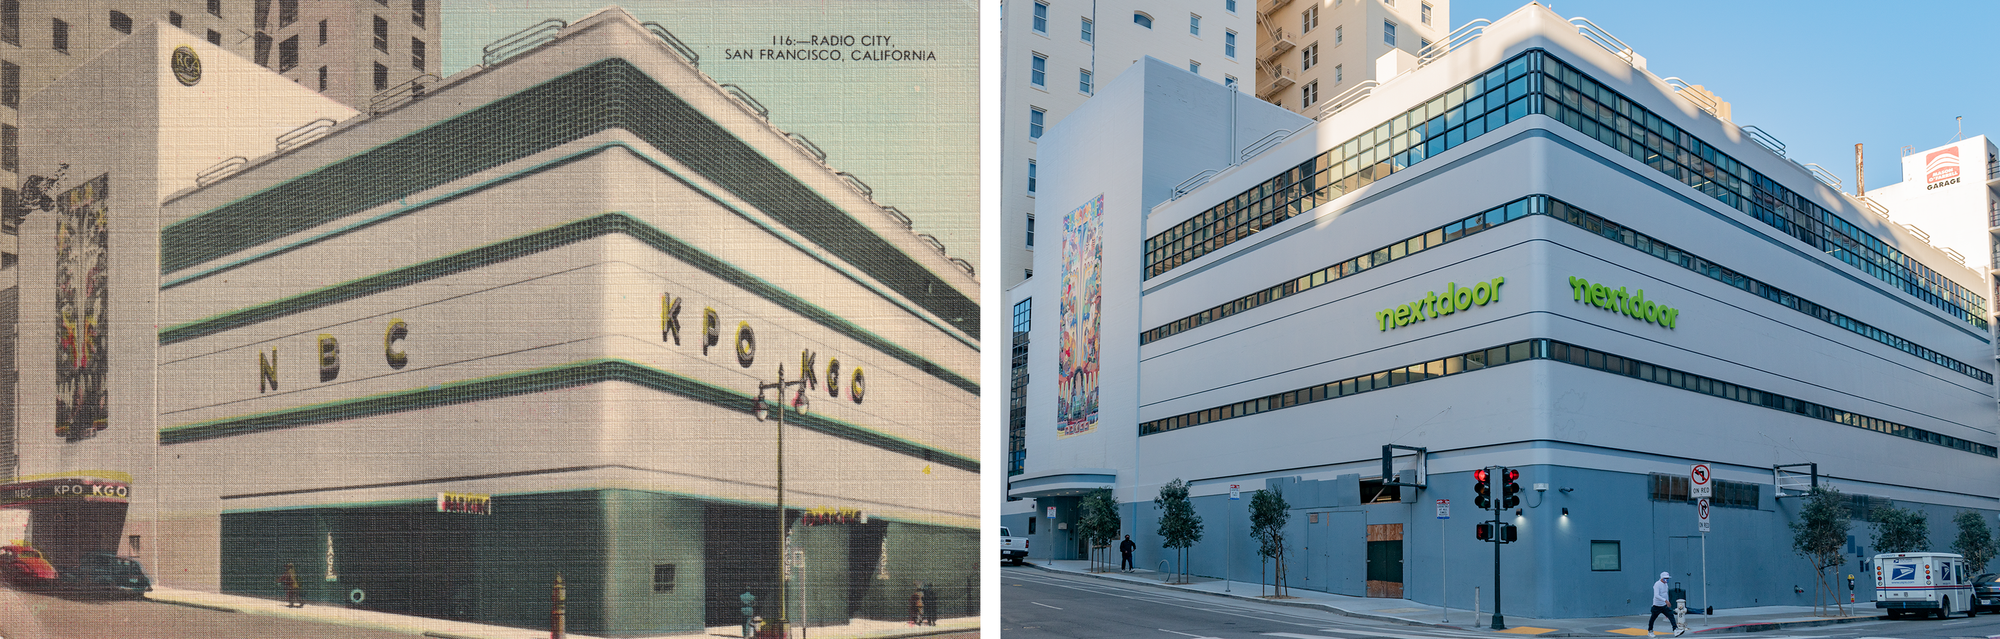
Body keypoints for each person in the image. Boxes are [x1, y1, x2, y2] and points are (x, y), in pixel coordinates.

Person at [1647, 572, 1684, 637]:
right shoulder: (1657, 584)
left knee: (1671, 616)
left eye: (1667, 579)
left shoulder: (1666, 584)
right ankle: (1650, 631)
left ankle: (1675, 630)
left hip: (1664, 605)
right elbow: (1656, 595)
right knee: (1653, 618)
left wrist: (1667, 602)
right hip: (1657, 605)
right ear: (1662, 578)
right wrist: (1665, 601)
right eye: (1665, 579)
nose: (1667, 580)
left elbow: (1665, 594)